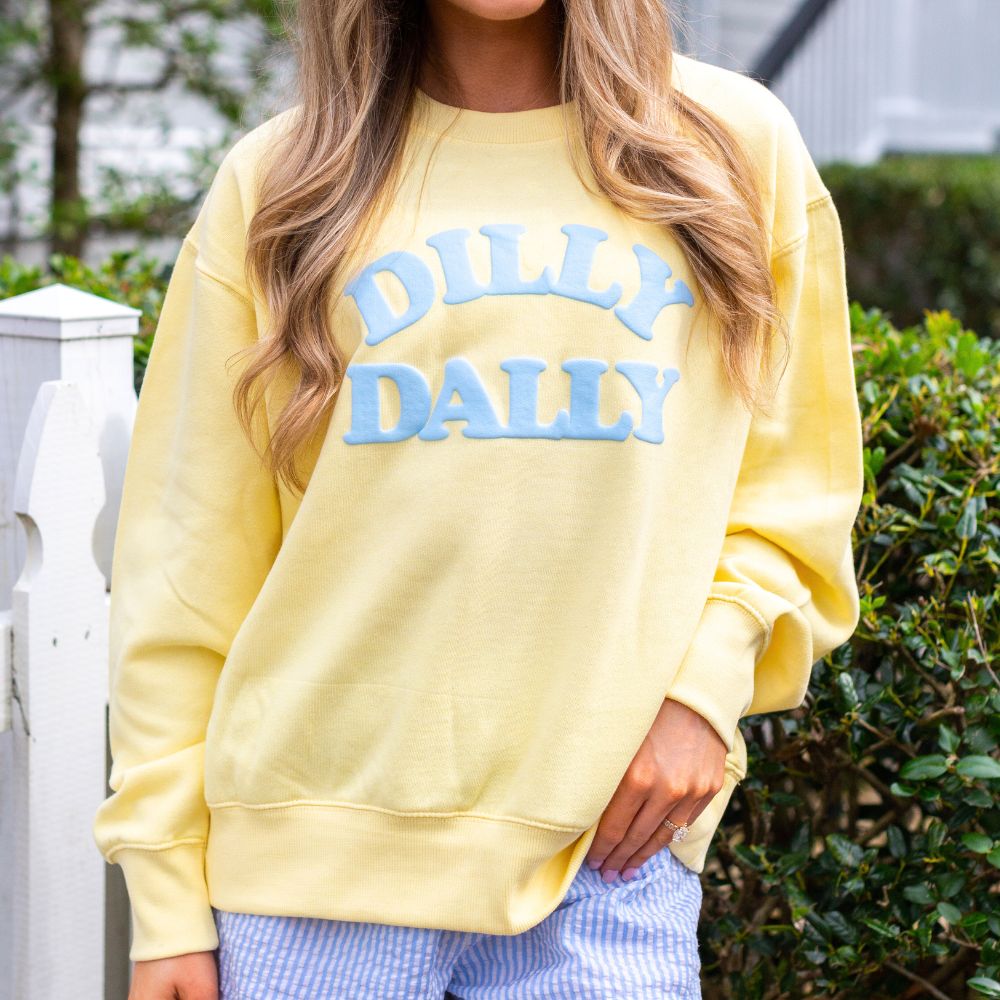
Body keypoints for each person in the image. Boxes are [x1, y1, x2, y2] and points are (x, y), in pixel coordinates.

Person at [92, 0, 864, 997]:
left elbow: (795, 492)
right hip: (311, 873)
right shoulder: (283, 182)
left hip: (609, 861)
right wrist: (165, 902)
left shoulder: (731, 148)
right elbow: (186, 568)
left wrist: (701, 698)